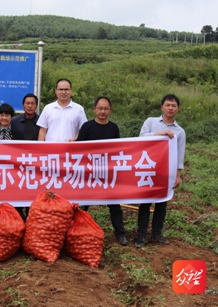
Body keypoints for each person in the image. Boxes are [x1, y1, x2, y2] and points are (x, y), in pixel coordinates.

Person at [136, 94, 186, 248]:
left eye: (173, 105)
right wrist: (160, 134)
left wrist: (177, 175)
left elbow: (179, 155)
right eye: (167, 105)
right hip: (148, 169)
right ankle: (141, 235)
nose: (170, 108)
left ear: (177, 109)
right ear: (162, 107)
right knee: (145, 203)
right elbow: (141, 137)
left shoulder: (180, 132)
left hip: (166, 171)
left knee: (162, 204)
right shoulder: (151, 122)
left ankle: (157, 233)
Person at [76, 96, 128, 246]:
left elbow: (117, 149)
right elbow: (79, 149)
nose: (102, 111)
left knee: (114, 205)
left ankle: (120, 234)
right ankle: (75, 230)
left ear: (110, 110)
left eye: (106, 109)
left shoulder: (114, 128)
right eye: (100, 108)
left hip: (107, 174)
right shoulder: (87, 127)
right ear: (94, 109)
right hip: (89, 173)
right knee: (83, 205)